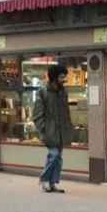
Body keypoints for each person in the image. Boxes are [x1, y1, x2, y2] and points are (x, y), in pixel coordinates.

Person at [33, 64, 73, 193]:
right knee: (54, 155)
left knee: (58, 158)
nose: (64, 79)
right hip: (50, 131)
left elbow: (66, 112)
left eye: (64, 76)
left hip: (61, 131)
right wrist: (44, 129)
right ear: (54, 77)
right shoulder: (43, 92)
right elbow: (37, 115)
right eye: (61, 77)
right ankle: (44, 180)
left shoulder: (63, 92)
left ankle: (52, 183)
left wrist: (68, 128)